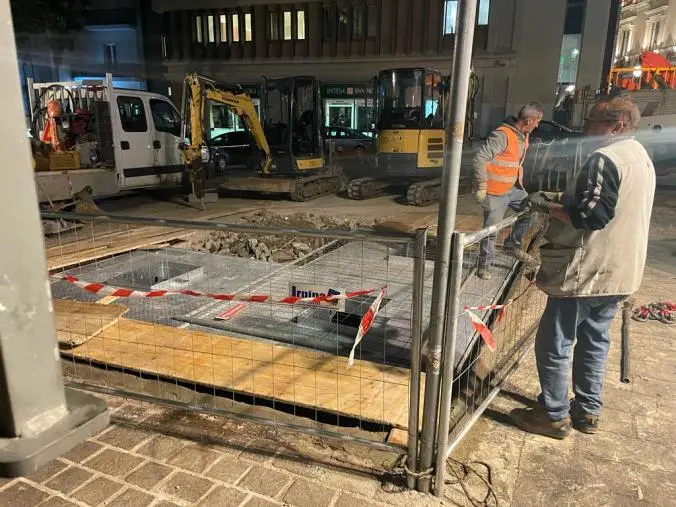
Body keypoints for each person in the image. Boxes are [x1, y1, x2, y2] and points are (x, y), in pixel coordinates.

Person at [511, 96, 655, 439]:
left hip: (588, 270)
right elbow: (604, 202)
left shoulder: (604, 158)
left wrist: (546, 205)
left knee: (554, 343)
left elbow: (591, 215)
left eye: (594, 122)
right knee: (595, 340)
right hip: (622, 270)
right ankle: (587, 411)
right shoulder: (639, 156)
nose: (588, 129)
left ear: (617, 125)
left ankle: (553, 414)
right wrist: (561, 197)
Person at [472, 102, 544, 280]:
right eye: (537, 121)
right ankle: (484, 265)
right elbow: (480, 159)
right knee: (491, 230)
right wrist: (482, 186)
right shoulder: (502, 135)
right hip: (495, 190)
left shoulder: (522, 134)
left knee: (533, 210)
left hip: (514, 187)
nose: (538, 125)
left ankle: (511, 244)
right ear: (528, 120)